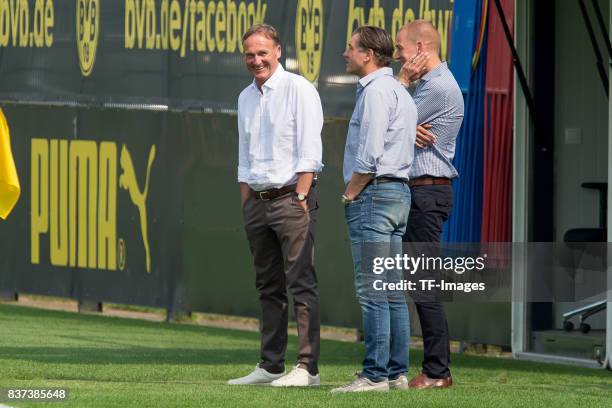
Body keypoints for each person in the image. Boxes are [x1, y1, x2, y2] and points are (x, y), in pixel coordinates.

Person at [228, 24, 323, 387]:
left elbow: (311, 150)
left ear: (278, 51)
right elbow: (243, 154)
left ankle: (307, 369)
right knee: (268, 286)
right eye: (250, 54)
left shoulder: (299, 89)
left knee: (301, 283)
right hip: (257, 201)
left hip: (291, 199)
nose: (256, 60)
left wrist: (301, 195)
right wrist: (246, 200)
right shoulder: (244, 97)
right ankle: (270, 366)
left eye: (262, 53)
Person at [332, 26, 417, 393]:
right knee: (391, 290)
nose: (345, 53)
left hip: (375, 194)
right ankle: (396, 373)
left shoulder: (378, 92)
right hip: (396, 195)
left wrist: (350, 193)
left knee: (373, 290)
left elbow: (369, 153)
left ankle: (375, 375)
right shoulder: (396, 88)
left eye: (350, 48)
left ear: (368, 54)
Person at [394, 20, 465, 389]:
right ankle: (431, 367)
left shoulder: (436, 87)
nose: (398, 58)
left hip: (426, 192)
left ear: (421, 48)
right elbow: (398, 124)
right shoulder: (429, 86)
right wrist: (407, 126)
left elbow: (386, 122)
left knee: (424, 283)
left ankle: (438, 371)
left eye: (402, 50)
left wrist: (403, 121)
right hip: (420, 192)